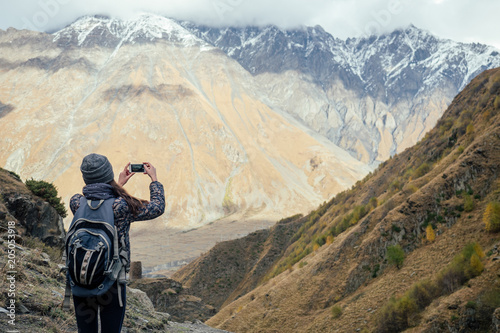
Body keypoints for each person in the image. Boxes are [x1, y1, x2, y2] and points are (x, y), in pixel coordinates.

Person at [69, 153, 165, 333]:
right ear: (108, 175)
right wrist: (154, 179)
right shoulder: (122, 206)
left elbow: (98, 203)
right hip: (111, 281)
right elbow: (157, 207)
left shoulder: (76, 202)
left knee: (85, 330)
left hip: (81, 277)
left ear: (85, 177)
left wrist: (117, 185)